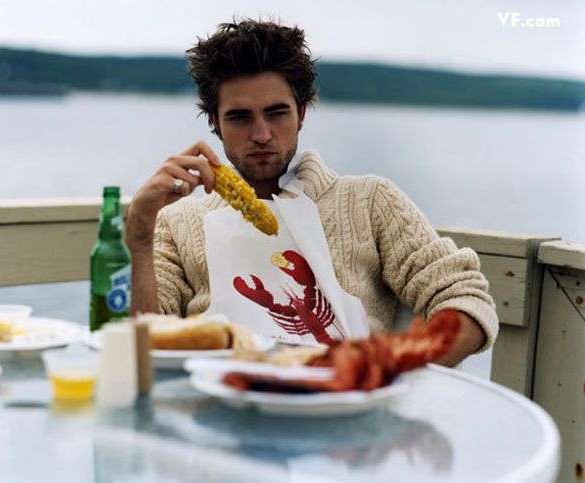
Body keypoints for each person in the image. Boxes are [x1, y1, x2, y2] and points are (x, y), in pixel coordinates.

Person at [125, 19, 498, 366]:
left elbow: (465, 299)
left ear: (301, 113)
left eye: (277, 113)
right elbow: (146, 342)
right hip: (219, 402)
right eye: (240, 117)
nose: (262, 135)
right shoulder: (177, 222)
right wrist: (140, 232)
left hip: (348, 400)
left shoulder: (371, 201)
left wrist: (390, 366)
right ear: (214, 122)